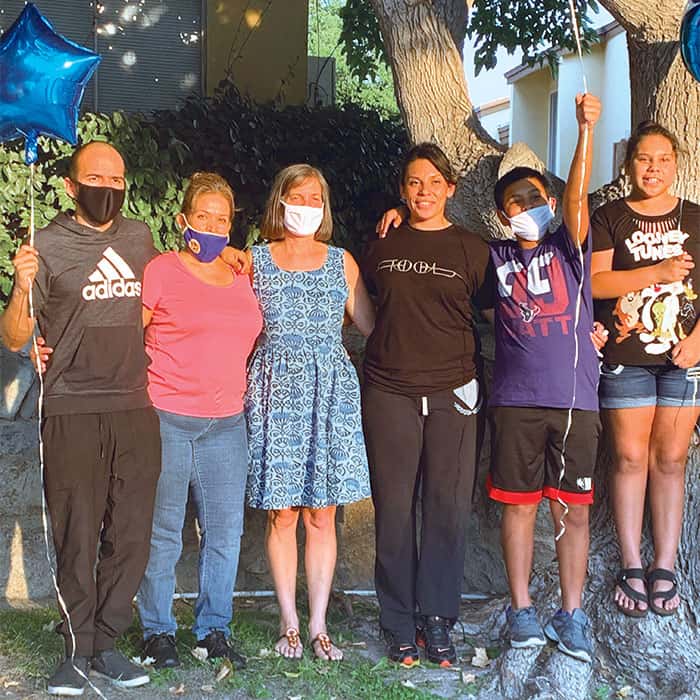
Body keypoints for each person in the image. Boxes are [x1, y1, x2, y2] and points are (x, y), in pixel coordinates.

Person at [0, 142, 160, 695]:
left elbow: (178, 285)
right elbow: (15, 337)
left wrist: (233, 256)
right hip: (70, 406)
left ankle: (107, 644)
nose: (107, 187)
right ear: (71, 186)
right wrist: (22, 287)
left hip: (136, 405)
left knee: (131, 534)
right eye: (95, 177)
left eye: (116, 178)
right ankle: (75, 649)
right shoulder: (43, 246)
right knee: (77, 533)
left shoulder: (140, 239)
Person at [362, 143, 492, 668]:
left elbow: (496, 315)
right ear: (402, 188)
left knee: (446, 509)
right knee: (393, 511)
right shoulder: (381, 243)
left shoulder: (473, 249)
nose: (424, 192)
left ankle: (437, 619)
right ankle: (396, 621)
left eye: (435, 182)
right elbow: (361, 302)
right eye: (415, 182)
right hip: (388, 390)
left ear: (451, 189)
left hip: (454, 392)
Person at [487, 94, 601, 664]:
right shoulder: (493, 255)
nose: (526, 205)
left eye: (534, 197)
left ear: (550, 201)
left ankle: (573, 614)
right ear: (504, 214)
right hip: (515, 403)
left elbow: (580, 195)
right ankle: (522, 608)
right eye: (515, 201)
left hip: (576, 402)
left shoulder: (569, 246)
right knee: (520, 505)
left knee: (572, 509)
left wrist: (584, 131)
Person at [245, 164, 374, 661]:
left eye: (315, 196)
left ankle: (319, 623)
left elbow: (372, 324)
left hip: (329, 388)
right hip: (273, 388)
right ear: (279, 200)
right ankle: (288, 621)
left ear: (325, 205)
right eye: (296, 194)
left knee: (322, 513)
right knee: (282, 514)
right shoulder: (254, 261)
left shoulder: (343, 262)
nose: (306, 203)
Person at [135, 173, 263, 668]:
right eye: (203, 216)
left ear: (232, 226)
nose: (212, 226)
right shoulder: (161, 271)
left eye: (222, 219)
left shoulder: (243, 274)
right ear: (182, 219)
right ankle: (157, 632)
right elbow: (128, 335)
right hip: (166, 416)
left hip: (227, 423)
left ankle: (213, 630)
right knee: (164, 532)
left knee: (224, 534)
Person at [591, 122, 700, 617]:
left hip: (684, 359)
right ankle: (632, 562)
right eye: (643, 158)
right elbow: (596, 284)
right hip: (627, 357)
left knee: (672, 461)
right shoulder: (609, 215)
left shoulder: (696, 217)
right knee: (631, 459)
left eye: (662, 158)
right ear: (628, 164)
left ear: (677, 164)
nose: (652, 168)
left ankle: (665, 563)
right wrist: (655, 273)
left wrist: (699, 340)